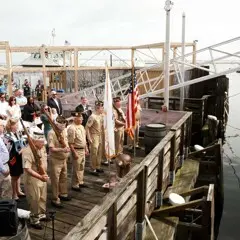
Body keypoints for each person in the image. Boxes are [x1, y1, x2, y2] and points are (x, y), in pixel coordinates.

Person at [22, 131, 49, 229]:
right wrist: (40, 177)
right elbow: (27, 169)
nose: (43, 144)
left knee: (42, 197)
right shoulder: (27, 151)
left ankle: (41, 214)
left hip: (43, 176)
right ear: (34, 141)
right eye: (41, 142)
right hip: (32, 179)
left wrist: (43, 175)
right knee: (34, 199)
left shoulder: (42, 148)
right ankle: (34, 219)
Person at [48, 116, 71, 208]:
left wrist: (67, 148)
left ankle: (63, 193)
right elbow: (51, 148)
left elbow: (66, 141)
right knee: (55, 180)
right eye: (61, 125)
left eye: (64, 125)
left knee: (64, 177)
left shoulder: (64, 131)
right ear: (57, 125)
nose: (63, 127)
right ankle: (55, 198)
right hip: (55, 159)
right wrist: (62, 150)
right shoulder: (52, 133)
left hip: (63, 158)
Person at [4, 118, 26, 200]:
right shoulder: (7, 136)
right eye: (15, 124)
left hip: (20, 157)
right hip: (13, 159)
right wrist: (18, 153)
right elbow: (8, 150)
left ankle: (18, 190)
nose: (17, 126)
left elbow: (22, 142)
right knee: (14, 176)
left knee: (18, 175)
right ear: (11, 126)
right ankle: (13, 194)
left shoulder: (18, 133)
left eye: (17, 124)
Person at [68, 112, 89, 191]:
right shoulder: (72, 128)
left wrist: (86, 148)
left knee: (81, 167)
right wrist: (74, 153)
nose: (82, 120)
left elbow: (84, 139)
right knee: (76, 168)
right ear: (75, 119)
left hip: (82, 150)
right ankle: (75, 184)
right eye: (80, 118)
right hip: (76, 150)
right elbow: (70, 143)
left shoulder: (81, 127)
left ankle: (80, 181)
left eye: (82, 118)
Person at [85, 101, 104, 176]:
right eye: (102, 108)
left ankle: (97, 166)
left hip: (99, 136)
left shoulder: (100, 116)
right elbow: (87, 127)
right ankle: (92, 168)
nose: (102, 109)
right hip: (94, 136)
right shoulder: (92, 116)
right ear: (98, 108)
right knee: (94, 152)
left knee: (99, 152)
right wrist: (89, 138)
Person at [0, 120, 12, 199]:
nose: (3, 127)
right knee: (5, 195)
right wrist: (3, 170)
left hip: (3, 165)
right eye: (1, 126)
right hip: (2, 169)